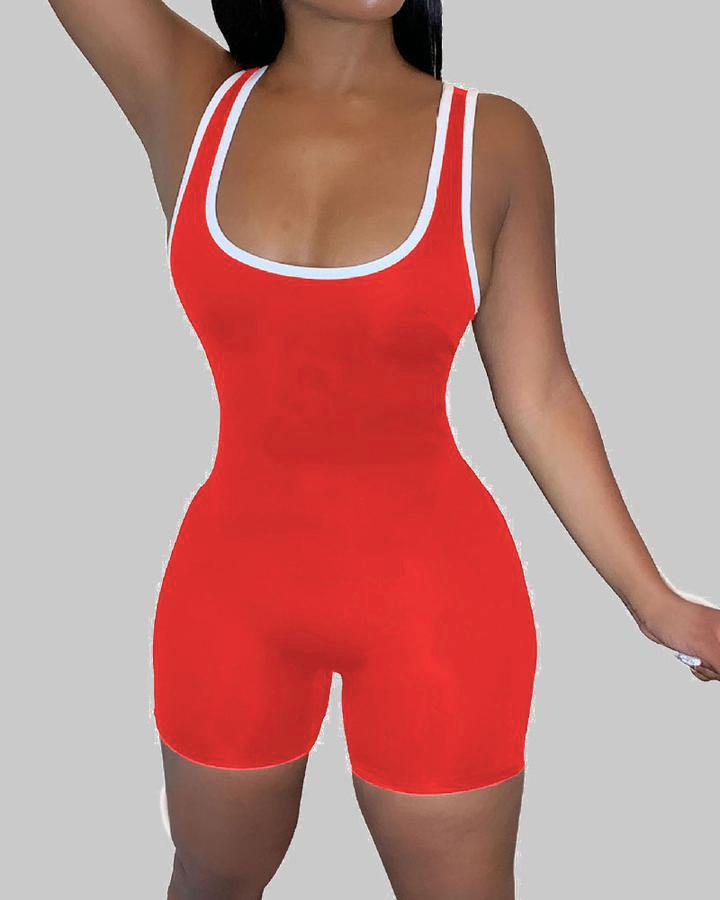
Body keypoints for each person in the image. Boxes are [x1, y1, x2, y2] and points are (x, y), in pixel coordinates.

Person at [47, 2, 720, 898]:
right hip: (229, 593)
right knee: (206, 881)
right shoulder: (192, 101)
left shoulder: (491, 139)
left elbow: (540, 393)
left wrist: (653, 600)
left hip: (435, 603)